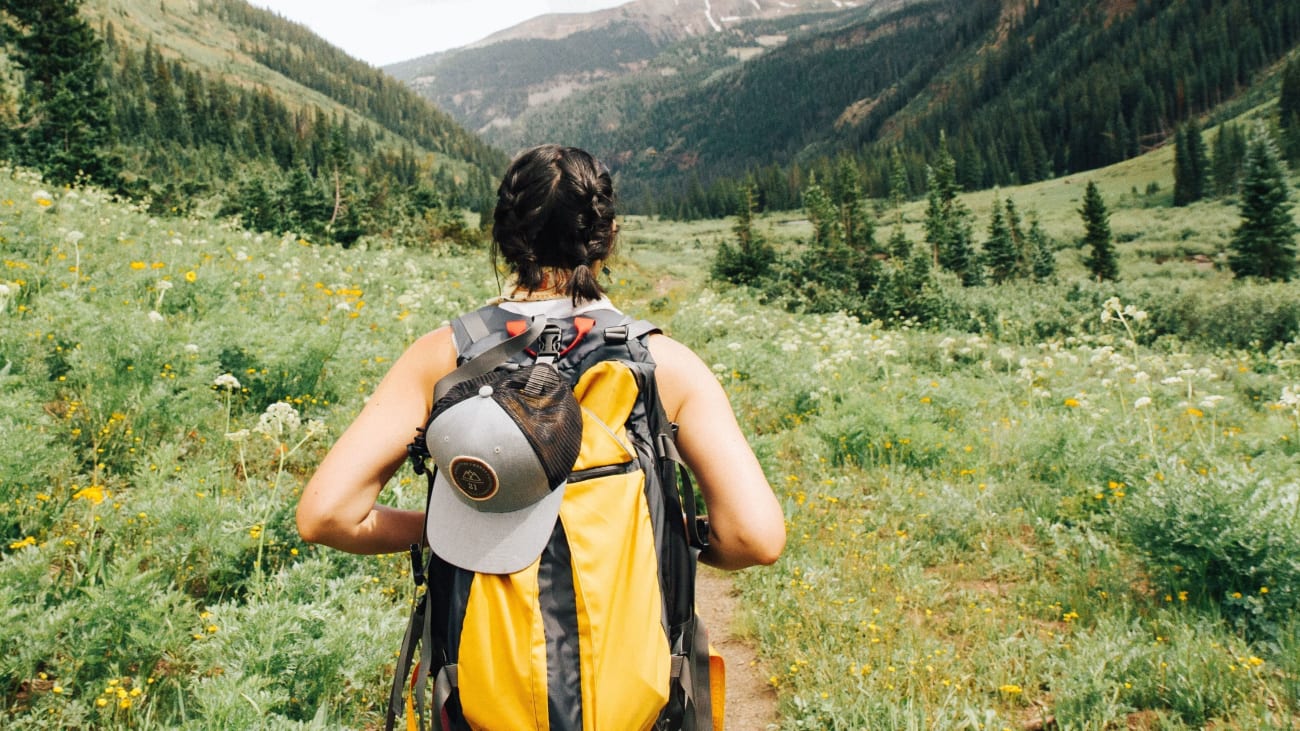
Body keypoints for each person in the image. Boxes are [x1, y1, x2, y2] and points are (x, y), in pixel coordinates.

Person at [296, 143, 784, 574]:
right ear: (608, 237)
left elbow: (327, 516)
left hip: (478, 673)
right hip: (631, 675)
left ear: (504, 239)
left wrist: (447, 532)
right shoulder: (665, 363)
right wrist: (662, 535)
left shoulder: (443, 355)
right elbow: (753, 538)